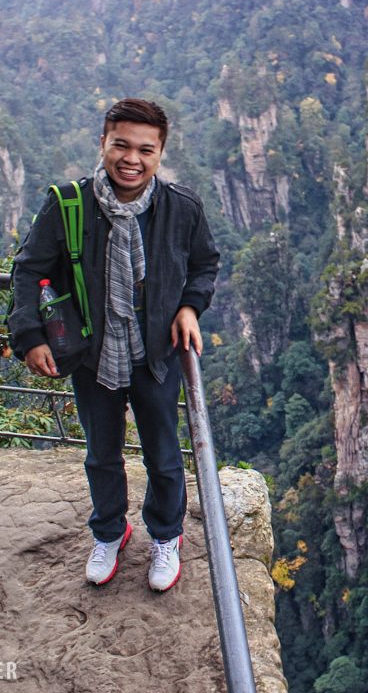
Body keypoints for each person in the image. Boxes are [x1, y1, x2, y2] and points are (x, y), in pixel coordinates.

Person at [9, 98, 220, 592]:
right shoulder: (69, 204)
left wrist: (190, 307)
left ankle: (165, 536)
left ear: (160, 153)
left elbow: (204, 264)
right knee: (101, 454)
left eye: (146, 150)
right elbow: (28, 270)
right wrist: (31, 336)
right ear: (103, 143)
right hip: (92, 355)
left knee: (163, 456)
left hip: (155, 355)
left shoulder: (181, 207)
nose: (132, 159)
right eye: (121, 145)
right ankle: (109, 532)